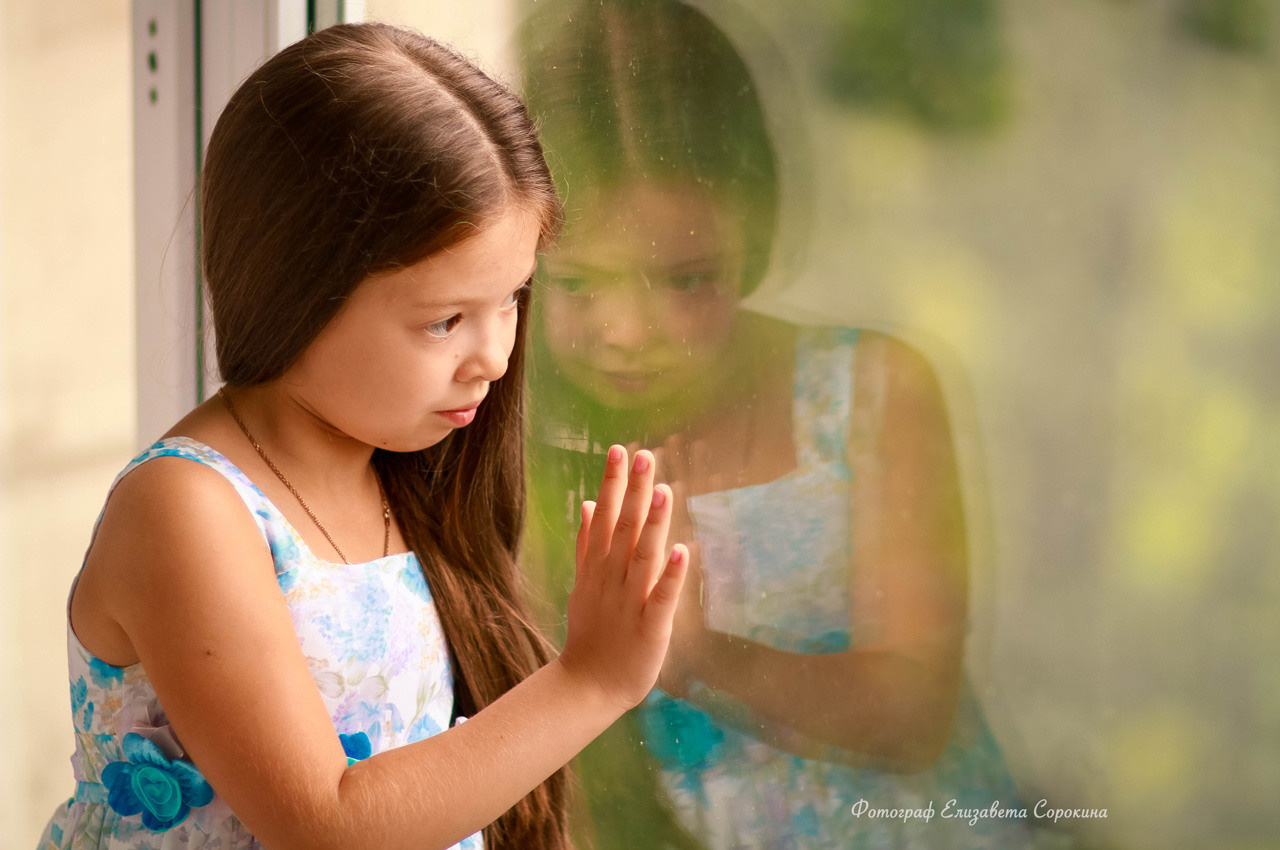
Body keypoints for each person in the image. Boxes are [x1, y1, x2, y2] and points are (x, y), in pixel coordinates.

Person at [38, 22, 689, 850]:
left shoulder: (401, 470)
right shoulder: (188, 509)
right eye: (445, 320)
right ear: (297, 285)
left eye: (513, 300)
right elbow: (328, 825)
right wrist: (590, 680)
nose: (491, 358)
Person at [519, 1, 1033, 847]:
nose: (626, 330)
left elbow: (915, 718)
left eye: (683, 279)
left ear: (752, 234)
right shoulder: (516, 433)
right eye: (577, 285)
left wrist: (697, 656)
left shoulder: (867, 394)